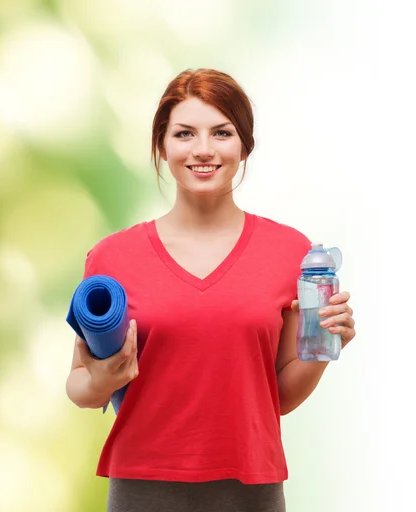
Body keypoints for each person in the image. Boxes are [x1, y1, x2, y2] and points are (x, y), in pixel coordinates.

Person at [65, 68, 356, 512]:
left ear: (244, 145)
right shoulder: (112, 258)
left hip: (250, 488)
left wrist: (323, 345)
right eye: (184, 134)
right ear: (162, 146)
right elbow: (80, 387)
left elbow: (276, 398)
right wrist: (103, 379)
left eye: (221, 133)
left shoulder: (290, 253)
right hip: (143, 487)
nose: (203, 150)